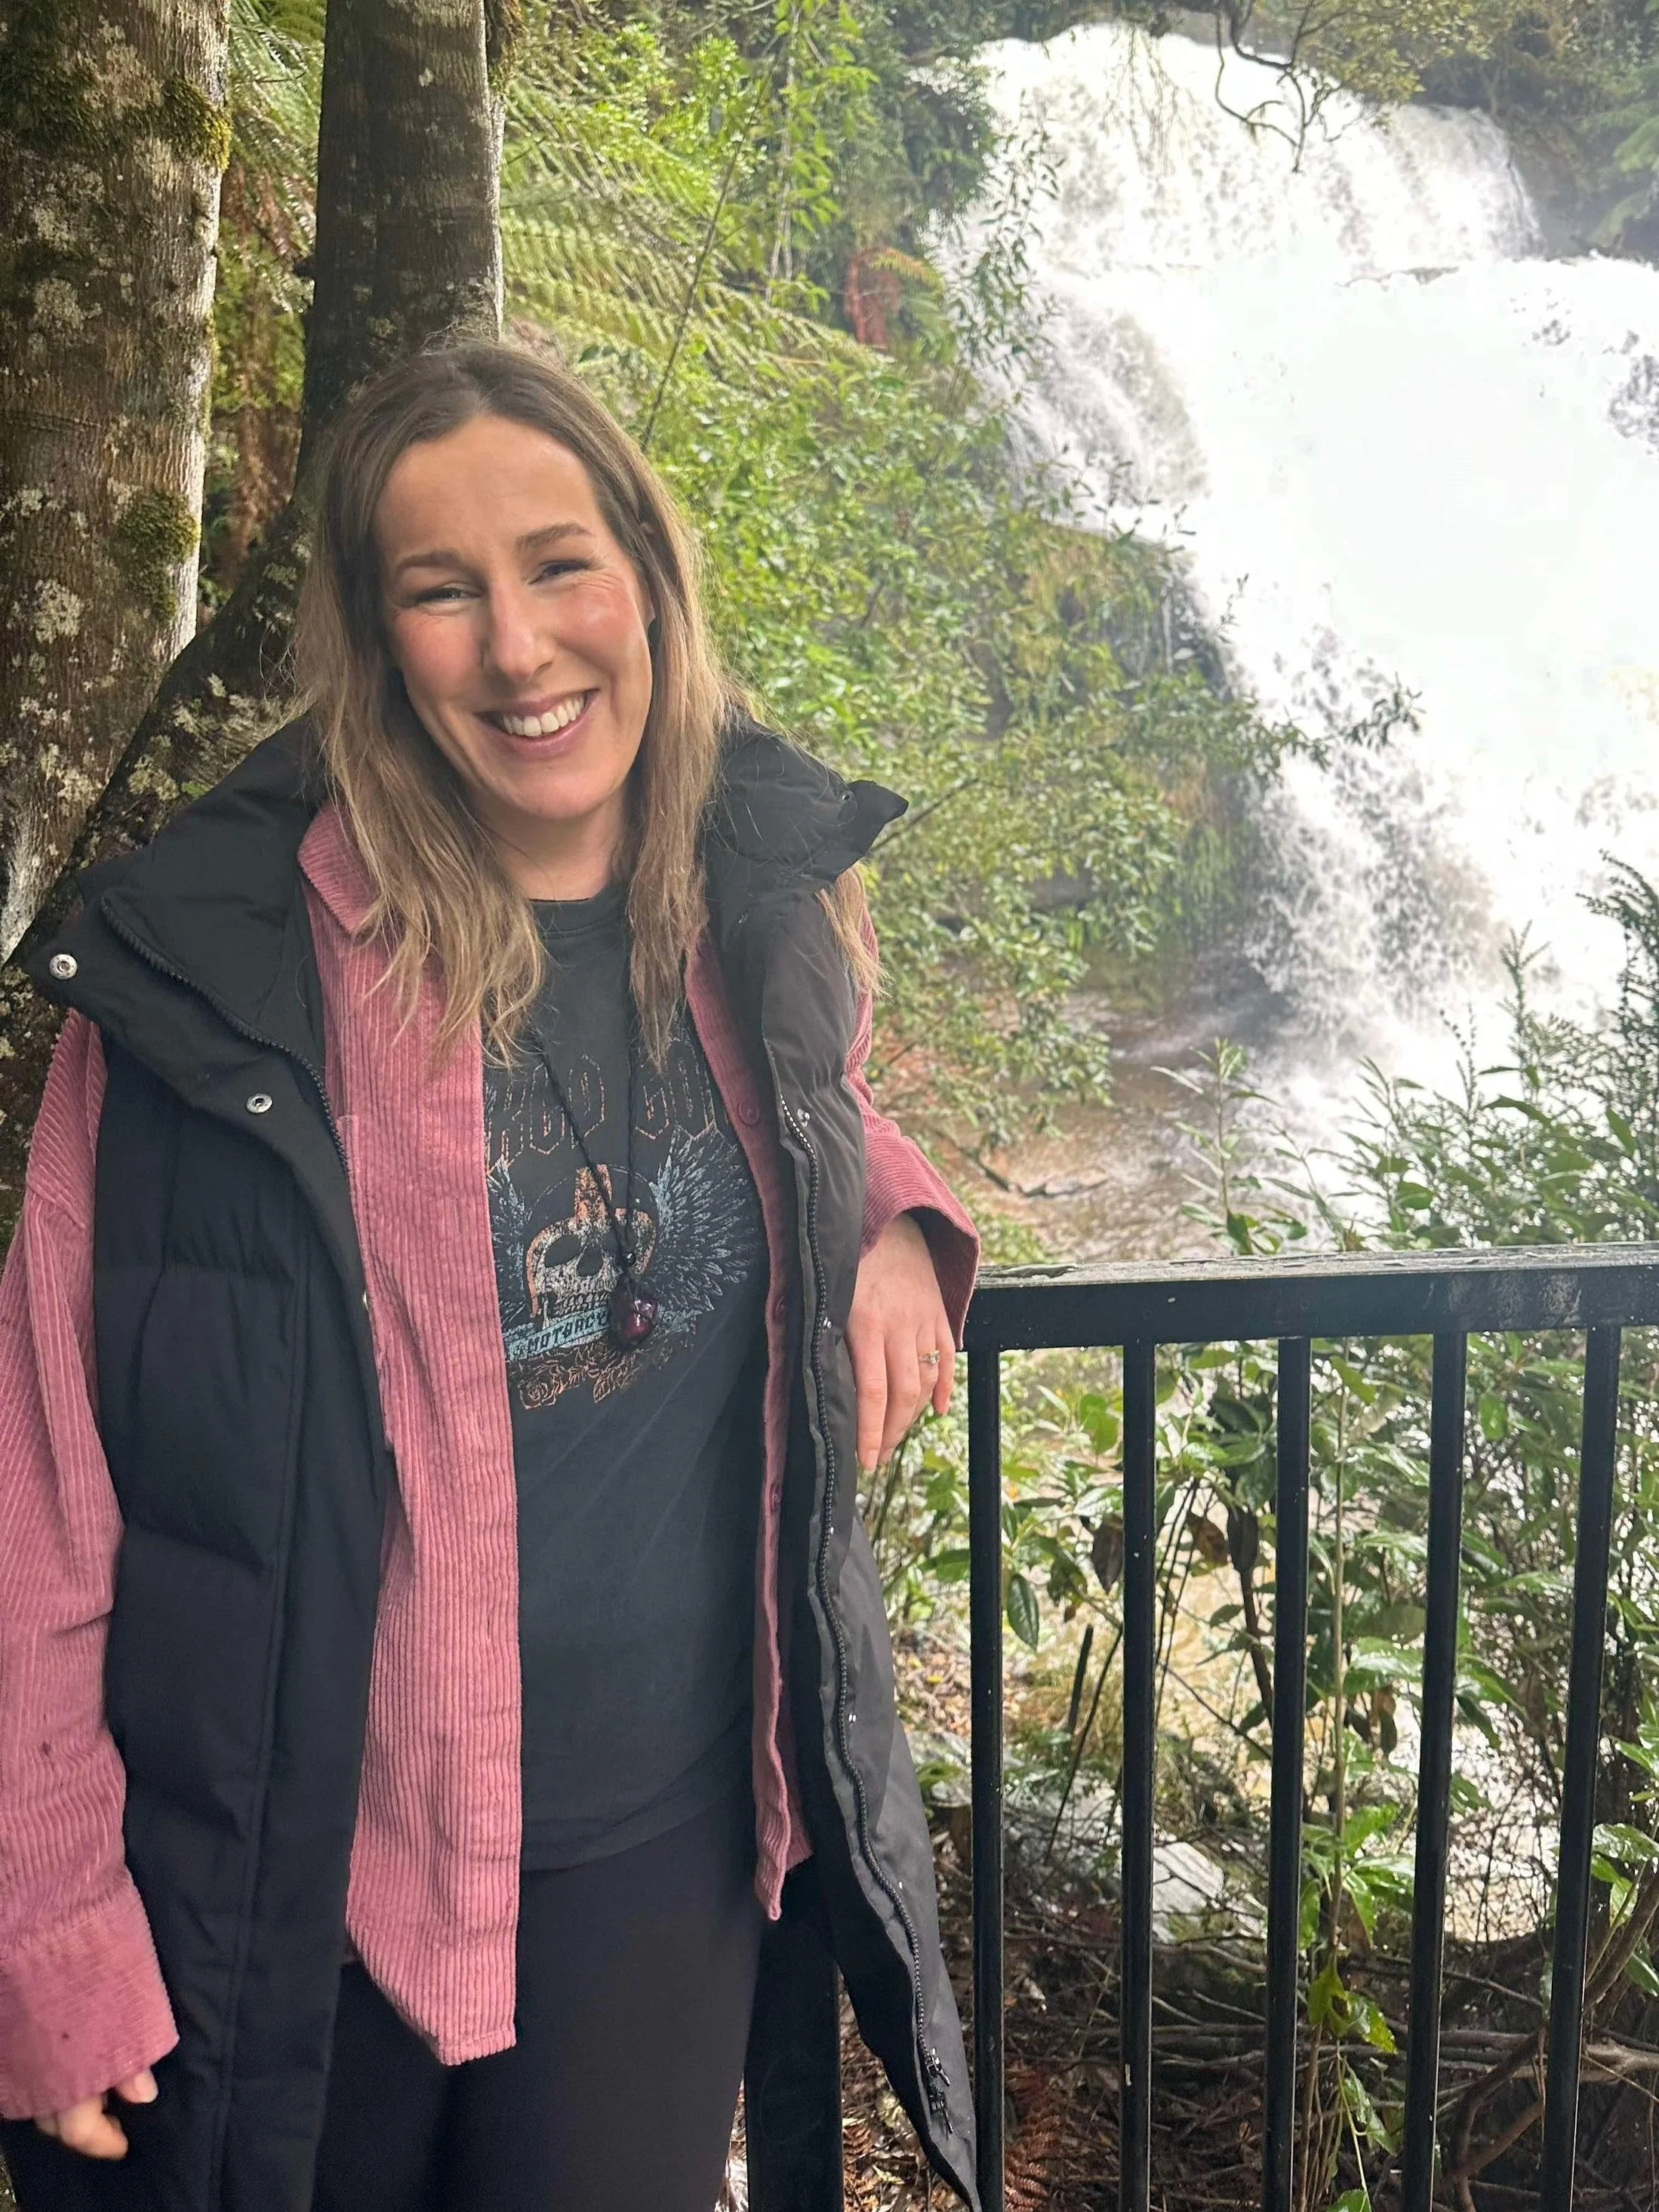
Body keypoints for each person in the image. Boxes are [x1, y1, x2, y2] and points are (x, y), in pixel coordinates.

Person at [0, 343, 980, 2212]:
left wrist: (895, 1217)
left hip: (657, 1854)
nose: (519, 649)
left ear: (649, 577)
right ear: (376, 645)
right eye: (441, 591)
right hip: (300, 1874)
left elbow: (816, 1096)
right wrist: (44, 1923)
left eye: (557, 565)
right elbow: (41, 1482)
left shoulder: (760, 885)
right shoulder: (218, 982)